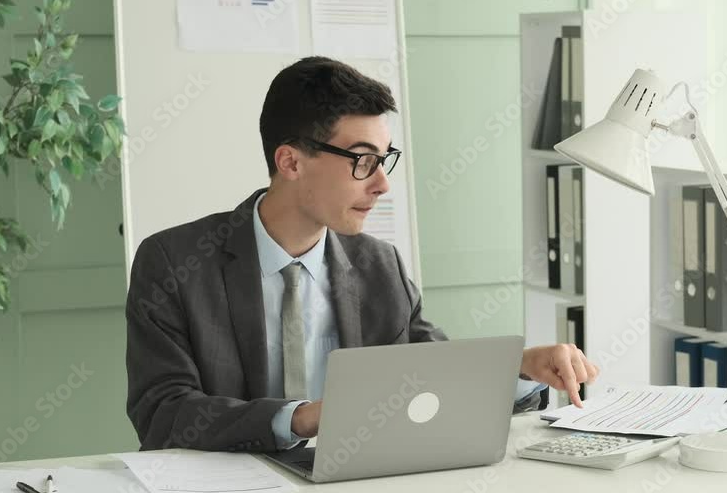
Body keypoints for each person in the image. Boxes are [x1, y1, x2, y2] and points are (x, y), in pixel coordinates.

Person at [125, 56, 599, 453]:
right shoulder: (174, 263)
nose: (382, 183)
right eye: (362, 160)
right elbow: (163, 412)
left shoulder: (379, 266)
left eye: (384, 159)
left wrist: (520, 366)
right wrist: (301, 418)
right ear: (290, 161)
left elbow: (436, 373)